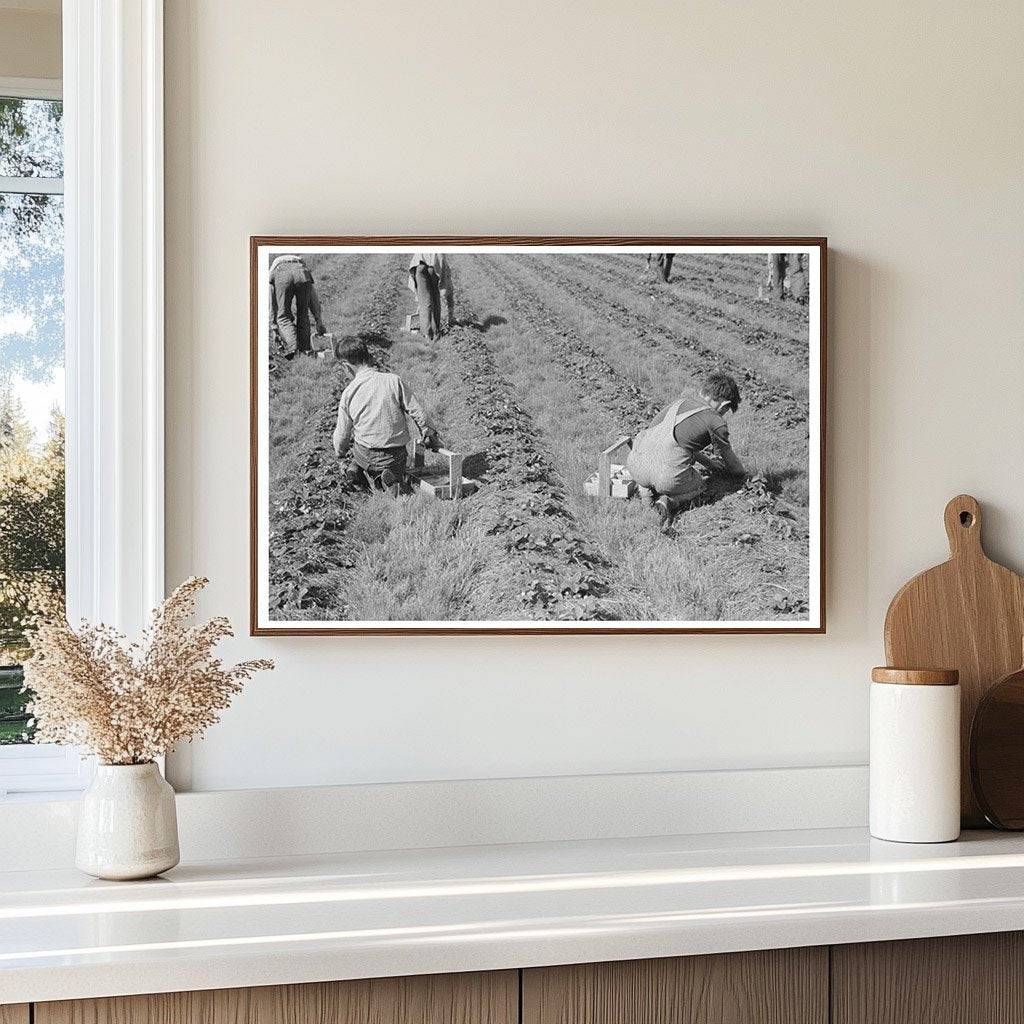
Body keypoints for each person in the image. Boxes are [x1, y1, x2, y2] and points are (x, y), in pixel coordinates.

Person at [626, 372, 746, 530]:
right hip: (665, 477)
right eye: (726, 410)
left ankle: (645, 490)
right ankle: (669, 501)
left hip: (635, 463)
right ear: (725, 405)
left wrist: (708, 463)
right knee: (700, 485)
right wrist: (743, 475)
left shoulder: (679, 403)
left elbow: (668, 440)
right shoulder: (715, 421)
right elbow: (732, 464)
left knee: (659, 464)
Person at [331, 336, 439, 496]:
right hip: (393, 455)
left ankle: (358, 470)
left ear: (347, 367)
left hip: (365, 453)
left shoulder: (349, 392)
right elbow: (419, 413)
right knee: (398, 465)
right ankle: (393, 478)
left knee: (359, 452)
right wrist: (429, 434)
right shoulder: (393, 381)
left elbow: (342, 433)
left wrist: (340, 452)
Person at [270, 254, 326, 357]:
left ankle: (293, 349)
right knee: (303, 314)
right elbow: (313, 298)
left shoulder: (272, 270)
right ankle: (305, 350)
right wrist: (319, 320)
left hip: (281, 273)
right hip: (302, 271)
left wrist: (274, 328)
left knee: (283, 317)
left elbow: (273, 303)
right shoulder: (299, 263)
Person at [407, 253, 455, 340]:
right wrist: (450, 313)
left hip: (419, 267)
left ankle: (427, 334)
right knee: (435, 299)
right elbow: (441, 261)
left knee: (425, 302)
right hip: (433, 268)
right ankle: (435, 332)